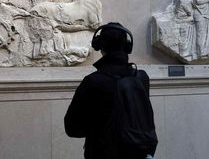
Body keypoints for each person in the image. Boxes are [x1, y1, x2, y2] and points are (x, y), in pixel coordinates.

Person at [64, 22, 157, 159]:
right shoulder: (141, 77)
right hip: (140, 153)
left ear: (99, 46)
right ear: (127, 46)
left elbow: (72, 128)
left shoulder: (93, 81)